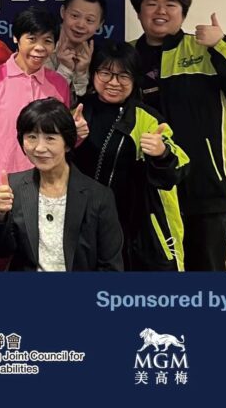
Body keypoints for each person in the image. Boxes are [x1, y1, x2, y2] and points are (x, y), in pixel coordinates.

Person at [130, 0, 226, 271]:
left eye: (170, 4)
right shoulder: (127, 56)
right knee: (151, 274)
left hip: (208, 187)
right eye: (151, 4)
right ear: (139, 12)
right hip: (149, 189)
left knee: (206, 275)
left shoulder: (204, 49)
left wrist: (222, 44)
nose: (161, 11)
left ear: (183, 12)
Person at [76, 41, 188, 271]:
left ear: (135, 79)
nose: (114, 82)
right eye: (105, 73)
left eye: (123, 76)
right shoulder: (77, 112)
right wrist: (70, 139)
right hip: (82, 225)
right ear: (93, 74)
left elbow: (179, 169)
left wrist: (162, 153)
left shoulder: (147, 118)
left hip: (135, 229)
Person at [0, 98, 123, 271]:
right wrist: (0, 215)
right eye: (31, 137)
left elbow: (111, 266)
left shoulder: (99, 196)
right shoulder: (14, 187)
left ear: (67, 143)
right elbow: (2, 250)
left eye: (50, 138)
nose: (39, 148)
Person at [0, 6, 74, 214]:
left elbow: (61, 141)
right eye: (32, 39)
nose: (39, 48)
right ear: (16, 38)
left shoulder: (59, 84)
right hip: (2, 192)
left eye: (47, 41)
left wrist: (77, 134)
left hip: (48, 191)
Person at [47, 0, 106, 98]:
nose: (80, 25)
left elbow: (83, 101)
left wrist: (81, 73)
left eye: (89, 20)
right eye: (75, 16)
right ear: (63, 12)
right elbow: (47, 100)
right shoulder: (42, 47)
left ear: (100, 24)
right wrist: (65, 68)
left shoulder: (99, 57)